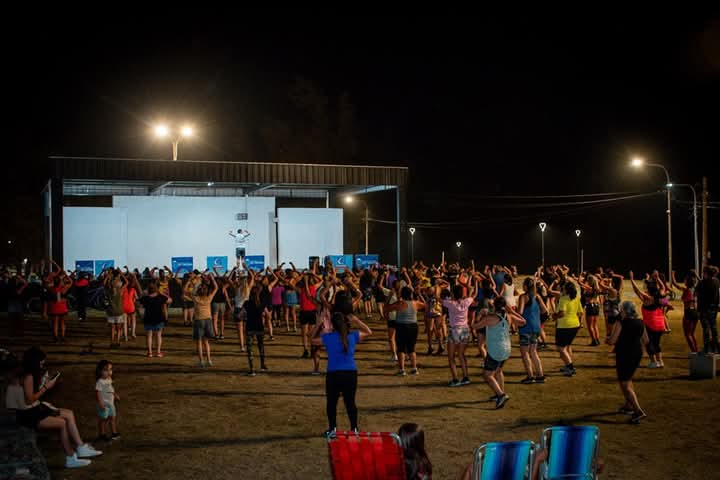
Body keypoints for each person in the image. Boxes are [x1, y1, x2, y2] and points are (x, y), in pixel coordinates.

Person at [17, 347, 102, 468]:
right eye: (41, 361)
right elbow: (29, 399)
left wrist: (43, 383)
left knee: (68, 413)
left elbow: (32, 396)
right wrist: (46, 387)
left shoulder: (30, 374)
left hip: (33, 409)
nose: (43, 364)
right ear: (35, 362)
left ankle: (81, 447)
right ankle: (70, 457)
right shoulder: (28, 376)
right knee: (62, 423)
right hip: (29, 415)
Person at [314, 312, 372, 438]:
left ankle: (332, 429)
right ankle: (354, 428)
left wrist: (319, 325)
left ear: (333, 325)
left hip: (334, 373)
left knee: (331, 403)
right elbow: (368, 331)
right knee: (350, 402)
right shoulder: (352, 336)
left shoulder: (328, 337)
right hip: (350, 373)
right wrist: (356, 320)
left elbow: (312, 340)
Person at [472, 297, 526, 409]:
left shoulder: (490, 318)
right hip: (506, 349)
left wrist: (478, 315)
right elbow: (523, 322)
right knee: (499, 371)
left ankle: (501, 395)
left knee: (487, 375)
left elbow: (474, 326)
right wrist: (511, 311)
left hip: (495, 350)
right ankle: (500, 392)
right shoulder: (508, 316)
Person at [607, 301, 649, 424]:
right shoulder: (640, 322)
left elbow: (612, 341)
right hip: (636, 353)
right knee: (627, 379)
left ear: (624, 311)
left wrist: (608, 339)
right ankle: (628, 404)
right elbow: (646, 340)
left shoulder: (622, 323)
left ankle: (638, 411)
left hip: (625, 354)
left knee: (625, 382)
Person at [385, 287, 426, 376]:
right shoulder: (415, 303)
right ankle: (414, 368)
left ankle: (402, 370)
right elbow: (425, 305)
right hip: (413, 326)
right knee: (412, 348)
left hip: (401, 326)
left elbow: (387, 308)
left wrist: (389, 297)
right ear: (411, 294)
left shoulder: (400, 303)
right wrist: (419, 295)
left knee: (401, 348)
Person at [630, 271, 666, 368]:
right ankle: (660, 361)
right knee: (656, 343)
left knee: (648, 342)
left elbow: (637, 291)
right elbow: (663, 287)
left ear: (649, 290)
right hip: (660, 324)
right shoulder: (660, 296)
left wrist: (632, 280)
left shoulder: (648, 299)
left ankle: (654, 362)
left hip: (651, 324)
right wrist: (658, 278)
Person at [517, 277, 549, 384]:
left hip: (526, 327)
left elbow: (520, 312)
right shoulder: (537, 296)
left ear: (525, 286)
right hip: (536, 327)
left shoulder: (523, 297)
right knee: (534, 352)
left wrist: (512, 313)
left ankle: (530, 376)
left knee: (525, 353)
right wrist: (535, 315)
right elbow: (545, 310)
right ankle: (540, 375)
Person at [442, 284, 475, 387]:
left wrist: (438, 288)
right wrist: (473, 287)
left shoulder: (450, 303)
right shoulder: (466, 302)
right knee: (461, 355)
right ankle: (466, 377)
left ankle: (455, 379)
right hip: (465, 330)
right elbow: (473, 295)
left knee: (451, 357)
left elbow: (438, 298)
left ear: (452, 293)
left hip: (455, 330)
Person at [550, 281, 583, 376]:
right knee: (567, 346)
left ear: (567, 290)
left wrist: (555, 316)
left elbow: (562, 313)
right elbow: (580, 312)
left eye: (563, 288)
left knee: (561, 348)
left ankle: (570, 367)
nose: (561, 289)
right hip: (575, 325)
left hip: (564, 326)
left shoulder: (563, 299)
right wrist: (580, 322)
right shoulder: (576, 298)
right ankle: (568, 364)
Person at [140, 281, 172, 357]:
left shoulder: (145, 298)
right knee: (158, 335)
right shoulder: (160, 297)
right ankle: (158, 352)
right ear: (156, 289)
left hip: (148, 318)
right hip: (159, 318)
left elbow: (138, 304)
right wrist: (161, 293)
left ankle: (150, 352)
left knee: (149, 336)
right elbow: (170, 300)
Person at [193, 275, 218, 367]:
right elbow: (216, 287)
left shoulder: (196, 298)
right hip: (208, 320)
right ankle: (209, 360)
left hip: (198, 320)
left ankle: (201, 362)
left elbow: (192, 290)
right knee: (206, 342)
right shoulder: (209, 298)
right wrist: (212, 278)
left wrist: (199, 281)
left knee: (199, 342)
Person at [243, 285, 268, 376]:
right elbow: (267, 315)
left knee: (250, 349)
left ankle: (252, 369)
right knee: (261, 346)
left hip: (249, 327)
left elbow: (240, 315)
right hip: (259, 327)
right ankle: (262, 365)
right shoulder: (262, 303)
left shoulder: (246, 303)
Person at [672, 270, 700, 353]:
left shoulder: (686, 290)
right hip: (695, 313)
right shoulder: (696, 290)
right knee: (691, 334)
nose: (684, 281)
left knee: (688, 335)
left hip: (688, 313)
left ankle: (694, 352)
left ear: (687, 282)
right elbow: (701, 282)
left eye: (685, 280)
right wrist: (696, 275)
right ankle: (695, 350)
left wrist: (672, 274)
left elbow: (674, 283)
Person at [95, 360, 121, 441]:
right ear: (100, 371)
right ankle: (102, 434)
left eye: (110, 369)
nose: (109, 372)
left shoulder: (109, 379)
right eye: (106, 370)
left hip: (111, 403)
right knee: (104, 419)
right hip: (104, 404)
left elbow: (110, 388)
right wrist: (100, 403)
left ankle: (114, 433)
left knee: (113, 418)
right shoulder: (100, 382)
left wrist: (115, 394)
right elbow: (98, 393)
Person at [697, 266, 720, 354]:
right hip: (714, 308)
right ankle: (716, 347)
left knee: (706, 329)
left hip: (705, 309)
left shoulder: (703, 282)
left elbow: (699, 294)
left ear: (706, 273)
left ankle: (706, 349)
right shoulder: (717, 281)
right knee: (714, 328)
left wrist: (699, 310)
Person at [104, 269, 126, 348]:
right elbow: (127, 282)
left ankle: (112, 342)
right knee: (118, 328)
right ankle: (118, 342)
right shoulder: (120, 291)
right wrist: (121, 274)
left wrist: (108, 275)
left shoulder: (108, 291)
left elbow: (104, 283)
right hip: (119, 311)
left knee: (112, 328)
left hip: (111, 311)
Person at [48, 272, 72, 342]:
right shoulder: (64, 288)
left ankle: (55, 336)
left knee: (55, 323)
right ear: (60, 282)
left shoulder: (51, 289)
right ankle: (63, 336)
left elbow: (48, 283)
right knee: (62, 322)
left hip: (54, 307)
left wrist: (53, 278)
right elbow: (71, 281)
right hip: (62, 307)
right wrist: (66, 275)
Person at [580, 274, 602, 346]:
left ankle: (593, 340)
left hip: (590, 306)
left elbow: (579, 283)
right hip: (596, 306)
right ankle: (597, 339)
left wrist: (580, 277)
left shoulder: (589, 288)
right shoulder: (596, 289)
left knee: (590, 326)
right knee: (595, 325)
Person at [211, 273, 231, 340]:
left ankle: (216, 334)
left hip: (215, 304)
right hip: (222, 304)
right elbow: (227, 297)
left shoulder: (213, 288)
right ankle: (221, 334)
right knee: (221, 320)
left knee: (215, 320)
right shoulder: (223, 287)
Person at [121, 271, 140, 341]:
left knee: (125, 323)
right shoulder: (133, 289)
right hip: (131, 306)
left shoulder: (123, 289)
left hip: (123, 306)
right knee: (133, 320)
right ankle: (133, 333)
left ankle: (125, 337)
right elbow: (137, 298)